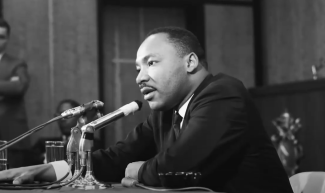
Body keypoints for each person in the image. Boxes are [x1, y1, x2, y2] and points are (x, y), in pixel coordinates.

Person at [0, 27, 293, 192]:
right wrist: (52, 170)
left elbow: (177, 168)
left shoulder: (224, 93)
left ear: (190, 63)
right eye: (138, 68)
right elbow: (117, 157)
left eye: (151, 63)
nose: (139, 77)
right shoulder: (165, 112)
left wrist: (139, 170)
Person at [0, 18, 30, 168]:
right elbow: (11, 87)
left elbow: (19, 87)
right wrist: (7, 85)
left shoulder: (16, 64)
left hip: (10, 137)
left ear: (7, 39)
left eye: (1, 37)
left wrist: (11, 86)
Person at [28, 99, 81, 165]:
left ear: (79, 116)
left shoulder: (90, 143)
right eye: (59, 115)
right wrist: (43, 158)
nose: (62, 119)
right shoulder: (42, 145)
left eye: (67, 115)